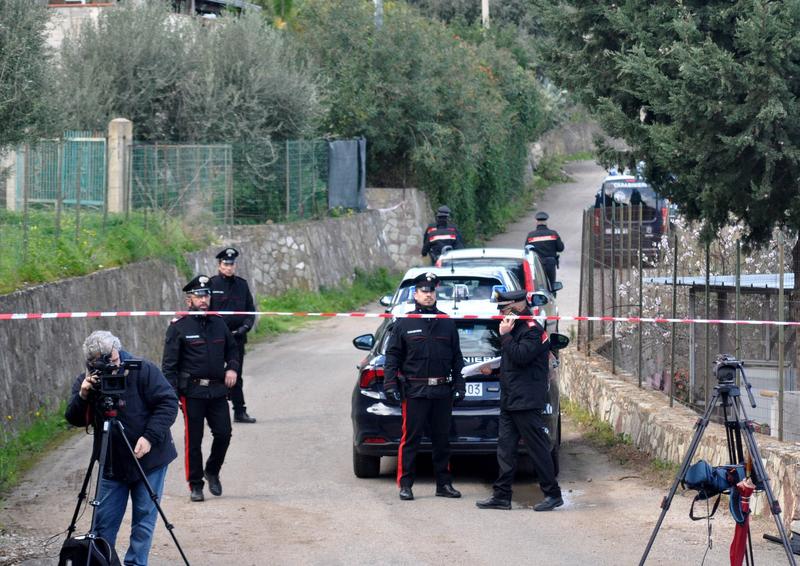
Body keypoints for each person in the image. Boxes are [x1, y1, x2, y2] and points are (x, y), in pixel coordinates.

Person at [65, 330, 178, 565]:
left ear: (118, 350)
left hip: (149, 459)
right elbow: (75, 419)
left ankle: (136, 563)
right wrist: (84, 394)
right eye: (106, 364)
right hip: (112, 461)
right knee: (104, 523)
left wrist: (148, 437)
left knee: (144, 520)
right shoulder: (89, 379)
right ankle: (105, 562)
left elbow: (168, 402)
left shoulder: (142, 369)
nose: (113, 367)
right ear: (92, 362)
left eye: (115, 360)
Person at [476, 290, 563, 512]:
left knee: (537, 448)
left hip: (525, 401)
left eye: (505, 309)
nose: (503, 314)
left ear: (518, 305)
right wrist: (492, 372)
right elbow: (513, 366)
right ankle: (502, 495)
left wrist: (505, 335)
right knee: (505, 449)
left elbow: (521, 357)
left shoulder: (532, 330)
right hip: (510, 399)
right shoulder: (516, 328)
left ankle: (553, 494)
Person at [383, 272, 466, 501]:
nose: (428, 295)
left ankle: (443, 484)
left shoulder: (446, 322)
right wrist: (390, 384)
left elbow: (457, 358)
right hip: (415, 390)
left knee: (442, 440)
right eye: (424, 291)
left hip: (442, 390)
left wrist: (460, 384)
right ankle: (406, 485)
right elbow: (392, 357)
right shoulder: (404, 322)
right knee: (411, 439)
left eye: (431, 291)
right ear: (415, 294)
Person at [162, 275, 240, 502]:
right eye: (198, 296)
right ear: (189, 300)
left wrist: (232, 369)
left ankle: (212, 471)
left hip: (217, 391)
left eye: (206, 295)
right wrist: (173, 395)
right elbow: (169, 366)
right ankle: (195, 484)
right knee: (194, 440)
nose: (203, 300)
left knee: (224, 433)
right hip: (192, 393)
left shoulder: (219, 323)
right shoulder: (179, 327)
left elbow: (233, 351)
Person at [209, 247, 257, 424]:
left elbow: (250, 311)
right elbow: (206, 311)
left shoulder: (242, 285)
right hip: (216, 339)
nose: (229, 267)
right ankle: (214, 413)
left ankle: (239, 411)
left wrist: (245, 327)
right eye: (225, 264)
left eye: (232, 264)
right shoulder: (212, 285)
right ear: (219, 265)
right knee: (214, 375)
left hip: (237, 338)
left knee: (236, 375)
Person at [524, 211, 564, 290]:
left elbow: (526, 250)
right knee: (551, 287)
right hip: (550, 264)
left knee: (537, 286)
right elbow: (561, 248)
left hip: (536, 264)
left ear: (537, 222)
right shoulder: (553, 234)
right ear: (546, 222)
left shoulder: (531, 235)